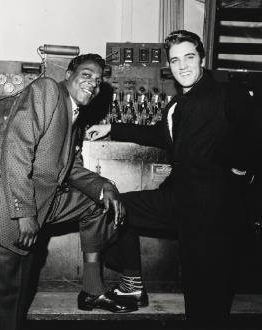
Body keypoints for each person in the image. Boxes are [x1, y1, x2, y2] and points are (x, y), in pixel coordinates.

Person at [86, 30, 261, 325]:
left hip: (212, 213)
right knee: (116, 208)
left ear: (202, 59)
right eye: (175, 60)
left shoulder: (227, 94)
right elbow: (162, 136)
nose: (183, 66)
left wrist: (241, 172)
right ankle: (133, 285)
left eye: (189, 57)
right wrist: (112, 128)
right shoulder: (176, 105)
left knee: (206, 299)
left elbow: (254, 134)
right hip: (177, 199)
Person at [0, 53, 137, 330]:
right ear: (69, 73)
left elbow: (73, 171)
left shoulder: (75, 119)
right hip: (4, 210)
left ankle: (92, 288)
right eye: (86, 75)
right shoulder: (47, 90)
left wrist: (106, 187)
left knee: (16, 308)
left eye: (98, 80)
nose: (93, 83)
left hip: (36, 209)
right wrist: (24, 212)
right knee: (0, 312)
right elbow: (17, 147)